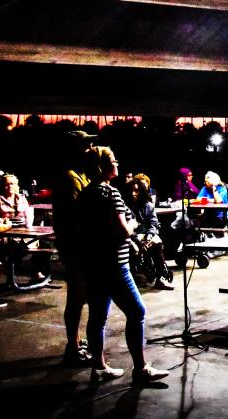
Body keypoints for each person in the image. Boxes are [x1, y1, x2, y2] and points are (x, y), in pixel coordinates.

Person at [76, 146, 168, 383]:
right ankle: (140, 368)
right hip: (114, 264)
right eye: (113, 160)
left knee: (97, 317)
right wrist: (133, 226)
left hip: (92, 263)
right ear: (102, 166)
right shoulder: (110, 193)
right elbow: (123, 230)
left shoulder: (86, 194)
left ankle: (99, 367)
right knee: (137, 312)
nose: (117, 163)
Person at [53, 129, 96, 365]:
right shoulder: (70, 178)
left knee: (81, 297)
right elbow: (77, 214)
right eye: (85, 146)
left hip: (80, 245)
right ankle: (73, 345)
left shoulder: (81, 175)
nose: (90, 150)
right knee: (76, 297)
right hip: (75, 246)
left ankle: (77, 342)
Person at [126, 177, 174, 290]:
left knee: (157, 242)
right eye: (131, 191)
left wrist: (149, 237)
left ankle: (161, 277)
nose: (133, 194)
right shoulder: (125, 206)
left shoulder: (148, 205)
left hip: (145, 235)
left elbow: (153, 224)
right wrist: (139, 242)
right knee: (132, 248)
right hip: (131, 236)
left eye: (136, 191)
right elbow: (126, 228)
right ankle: (136, 277)